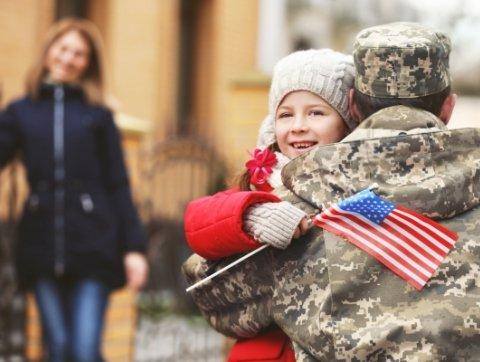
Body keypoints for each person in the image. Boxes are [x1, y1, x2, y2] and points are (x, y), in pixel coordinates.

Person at [184, 22, 480, 360]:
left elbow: (213, 296)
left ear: (352, 106)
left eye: (314, 113)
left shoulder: (306, 209)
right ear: (448, 107)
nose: (298, 125)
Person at [184, 48, 356, 361]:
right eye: (286, 114)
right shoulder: (263, 181)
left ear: (346, 123)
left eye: (316, 113)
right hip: (271, 350)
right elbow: (198, 222)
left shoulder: (359, 185)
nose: (299, 125)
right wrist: (251, 214)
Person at [0, 18, 148, 361]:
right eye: (63, 48)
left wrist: (134, 248)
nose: (68, 58)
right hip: (41, 245)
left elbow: (118, 184)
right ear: (49, 50)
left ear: (88, 63)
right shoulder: (22, 112)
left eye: (79, 54)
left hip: (94, 246)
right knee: (59, 348)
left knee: (83, 350)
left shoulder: (98, 116)